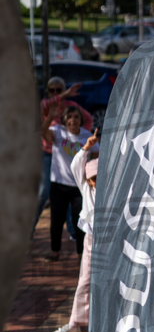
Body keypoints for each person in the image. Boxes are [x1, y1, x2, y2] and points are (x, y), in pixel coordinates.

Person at [51, 130, 99, 332]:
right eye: (94, 178)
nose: (98, 181)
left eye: (101, 176)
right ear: (88, 180)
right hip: (91, 240)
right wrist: (86, 148)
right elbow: (74, 166)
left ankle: (113, 324)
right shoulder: (86, 190)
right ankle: (75, 322)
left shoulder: (115, 193)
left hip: (113, 241)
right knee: (85, 281)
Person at [33, 78, 93, 234]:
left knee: (68, 191)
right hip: (47, 153)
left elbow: (89, 119)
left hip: (63, 153)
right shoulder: (46, 104)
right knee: (43, 192)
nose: (55, 93)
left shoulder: (70, 108)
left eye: (58, 90)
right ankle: (30, 228)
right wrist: (65, 94)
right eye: (52, 90)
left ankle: (73, 232)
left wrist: (78, 136)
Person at [40, 104, 98, 260]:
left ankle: (81, 254)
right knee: (56, 220)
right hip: (58, 185)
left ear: (80, 120)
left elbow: (96, 158)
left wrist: (91, 177)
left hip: (78, 187)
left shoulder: (87, 136)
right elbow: (43, 132)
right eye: (69, 117)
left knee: (81, 219)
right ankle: (55, 252)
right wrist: (50, 116)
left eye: (76, 117)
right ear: (64, 120)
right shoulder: (58, 132)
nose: (73, 120)